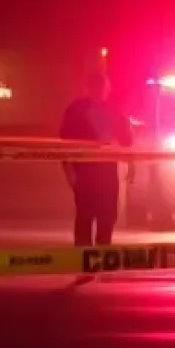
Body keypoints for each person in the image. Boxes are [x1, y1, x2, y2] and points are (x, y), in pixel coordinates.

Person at [59, 68, 133, 246]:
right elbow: (64, 141)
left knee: (107, 217)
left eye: (104, 87)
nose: (102, 91)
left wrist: (131, 163)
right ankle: (83, 259)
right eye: (98, 87)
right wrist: (68, 170)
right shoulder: (76, 110)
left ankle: (103, 255)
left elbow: (126, 140)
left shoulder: (113, 110)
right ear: (89, 88)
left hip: (107, 171)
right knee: (85, 216)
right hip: (84, 170)